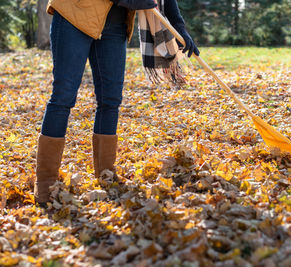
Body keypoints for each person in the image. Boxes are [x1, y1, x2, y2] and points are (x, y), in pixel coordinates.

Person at [34, 0, 199, 206]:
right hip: (74, 14)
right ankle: (45, 185)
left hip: (116, 23)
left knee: (110, 100)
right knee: (63, 97)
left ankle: (106, 175)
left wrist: (179, 27)